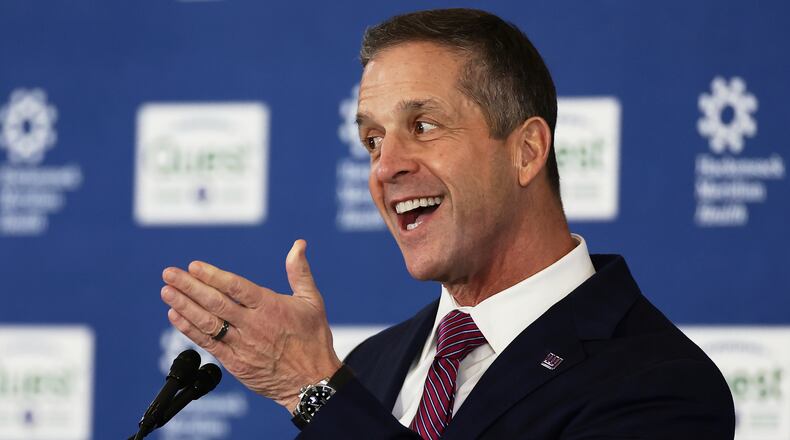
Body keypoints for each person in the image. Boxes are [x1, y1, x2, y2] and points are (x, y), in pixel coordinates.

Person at [159, 8, 736, 439]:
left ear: (527, 152)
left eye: (424, 127)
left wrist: (312, 388)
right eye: (372, 139)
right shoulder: (371, 366)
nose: (385, 167)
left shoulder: (662, 386)